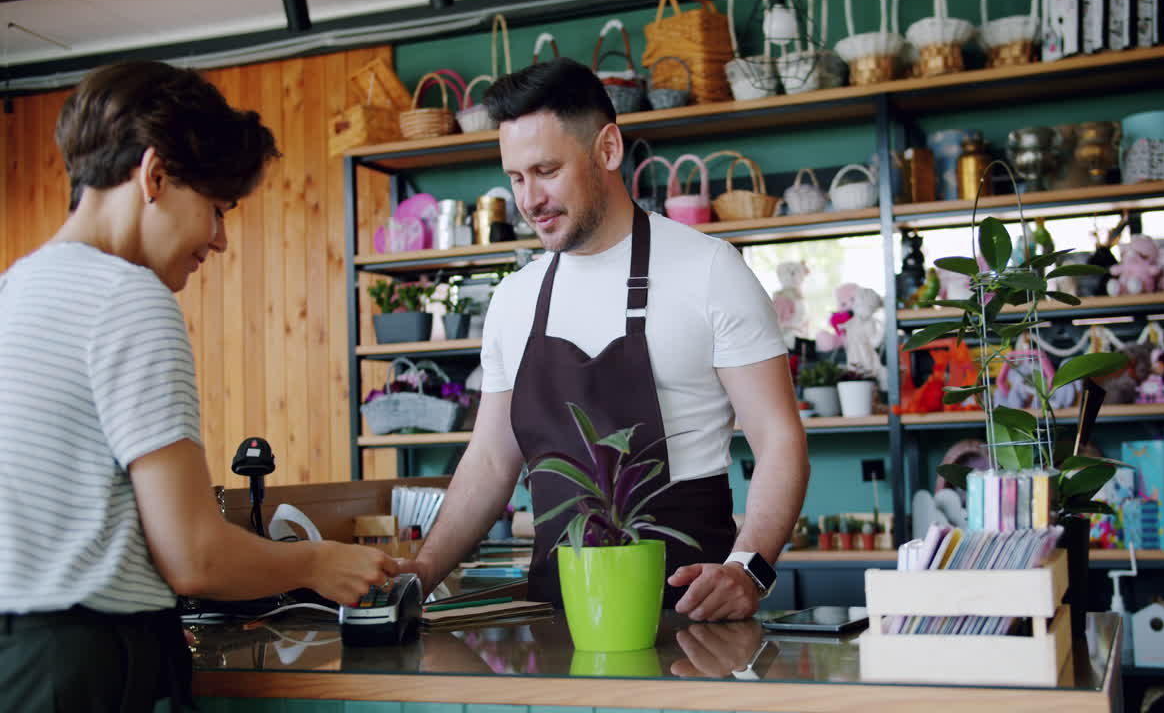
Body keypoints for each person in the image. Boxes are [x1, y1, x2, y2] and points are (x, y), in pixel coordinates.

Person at [0, 61, 398, 712]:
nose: (219, 241)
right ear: (154, 176)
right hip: (84, 664)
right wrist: (317, 563)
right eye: (215, 209)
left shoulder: (14, 288)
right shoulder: (128, 296)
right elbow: (194, 556)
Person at [399, 58, 808, 622]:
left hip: (691, 617)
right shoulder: (515, 299)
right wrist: (421, 573)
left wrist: (749, 569)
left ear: (608, 149)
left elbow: (780, 439)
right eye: (516, 178)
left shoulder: (710, 270)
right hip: (552, 618)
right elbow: (491, 461)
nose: (529, 200)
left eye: (546, 170)